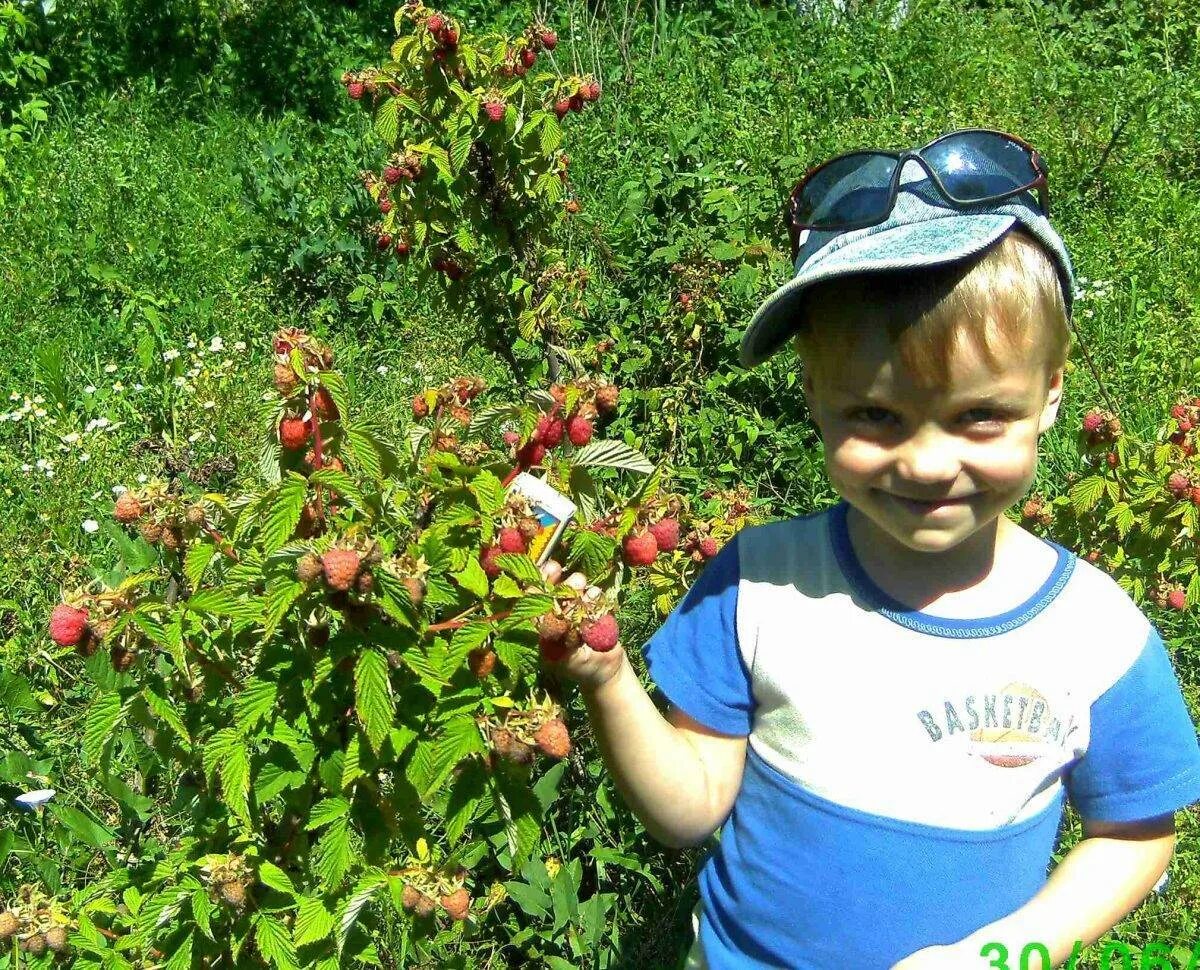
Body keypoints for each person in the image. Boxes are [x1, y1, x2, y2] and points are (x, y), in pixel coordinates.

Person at [544, 129, 1200, 968]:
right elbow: (689, 809)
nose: (927, 463)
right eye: (876, 416)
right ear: (815, 398)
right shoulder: (758, 583)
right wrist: (605, 679)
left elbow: (1135, 839)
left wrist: (1005, 954)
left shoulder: (1096, 636)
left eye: (979, 416)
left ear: (1052, 393)